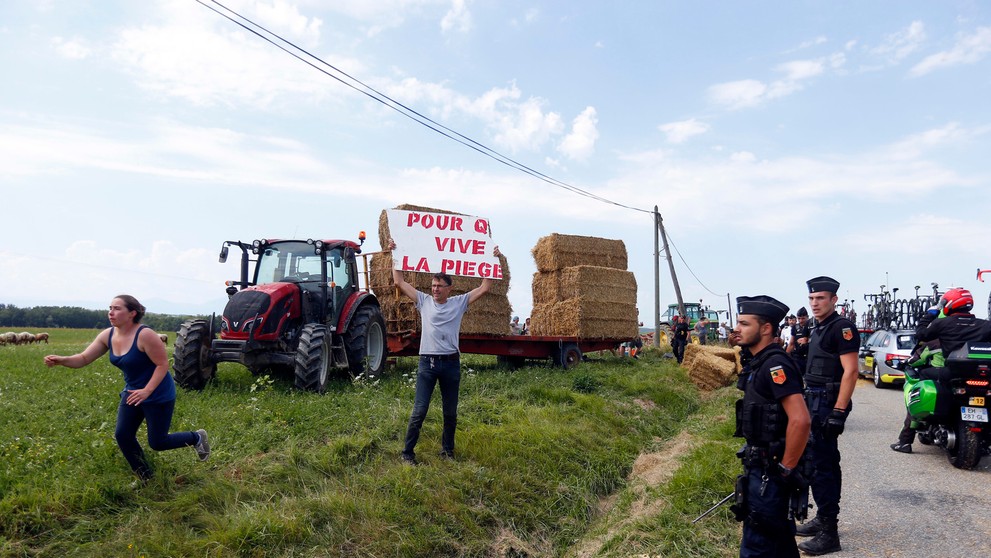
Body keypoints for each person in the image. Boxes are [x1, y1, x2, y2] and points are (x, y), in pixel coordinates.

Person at [43, 295, 210, 482]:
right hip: (132, 392)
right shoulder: (108, 335)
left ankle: (196, 437)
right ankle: (146, 478)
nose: (111, 312)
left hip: (158, 393)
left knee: (158, 442)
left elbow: (162, 365)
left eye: (117, 308)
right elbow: (83, 359)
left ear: (132, 313)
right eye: (110, 308)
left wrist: (147, 391)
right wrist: (62, 360)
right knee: (123, 435)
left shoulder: (145, 335)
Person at [390, 239, 501, 464]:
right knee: (419, 410)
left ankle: (447, 451)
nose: (435, 289)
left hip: (451, 364)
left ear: (449, 288)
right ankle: (407, 453)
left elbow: (485, 287)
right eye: (433, 285)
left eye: (439, 286)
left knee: (450, 412)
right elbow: (399, 281)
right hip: (428, 364)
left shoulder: (459, 303)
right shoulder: (423, 301)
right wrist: (395, 253)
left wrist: (492, 259)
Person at [733, 296, 811, 558]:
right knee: (779, 543)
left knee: (758, 544)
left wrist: (786, 469)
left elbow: (801, 419)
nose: (737, 329)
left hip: (771, 470)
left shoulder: (775, 365)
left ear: (766, 328)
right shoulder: (759, 361)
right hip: (761, 466)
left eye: (745, 324)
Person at [796, 277, 860, 555]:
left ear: (834, 300)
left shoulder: (841, 327)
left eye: (820, 298)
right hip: (812, 398)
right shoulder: (818, 326)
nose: (814, 303)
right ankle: (823, 518)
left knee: (822, 464)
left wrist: (839, 411)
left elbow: (851, 371)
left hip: (826, 402)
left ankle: (829, 533)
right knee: (819, 461)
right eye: (812, 298)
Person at [890, 288, 991, 453]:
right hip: (981, 375)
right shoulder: (985, 325)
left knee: (920, 378)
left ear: (949, 304)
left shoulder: (943, 323)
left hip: (951, 374)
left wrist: (930, 314)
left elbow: (921, 334)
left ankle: (905, 440)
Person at [787, 307, 811, 374]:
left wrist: (808, 340)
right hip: (797, 357)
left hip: (809, 356)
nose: (801, 321)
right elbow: (791, 343)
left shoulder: (812, 327)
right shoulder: (795, 327)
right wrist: (786, 356)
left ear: (807, 317)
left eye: (803, 318)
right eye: (799, 318)